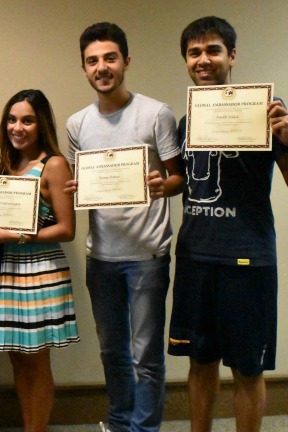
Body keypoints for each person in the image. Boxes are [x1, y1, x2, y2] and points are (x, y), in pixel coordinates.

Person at [168, 16, 288, 432]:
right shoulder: (187, 123)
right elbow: (182, 182)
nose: (203, 60)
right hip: (196, 255)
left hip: (249, 260)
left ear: (231, 55)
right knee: (200, 364)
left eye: (213, 50)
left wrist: (287, 136)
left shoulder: (269, 113)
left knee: (248, 370)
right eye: (194, 52)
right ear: (186, 60)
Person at [64, 23, 183, 432]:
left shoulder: (156, 113)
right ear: (84, 68)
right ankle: (118, 424)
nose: (102, 67)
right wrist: (81, 189)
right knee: (112, 352)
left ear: (126, 61)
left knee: (145, 356)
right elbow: (87, 187)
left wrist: (159, 187)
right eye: (93, 61)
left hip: (148, 256)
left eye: (110, 58)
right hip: (102, 257)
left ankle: (144, 428)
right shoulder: (77, 124)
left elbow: (179, 178)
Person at [0, 89, 79, 432]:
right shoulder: (9, 165)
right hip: (6, 270)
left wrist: (16, 235)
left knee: (36, 360)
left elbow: (66, 230)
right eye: (12, 119)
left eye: (27, 120)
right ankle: (28, 426)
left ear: (41, 124)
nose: (18, 127)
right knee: (17, 360)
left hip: (40, 272)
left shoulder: (55, 164)